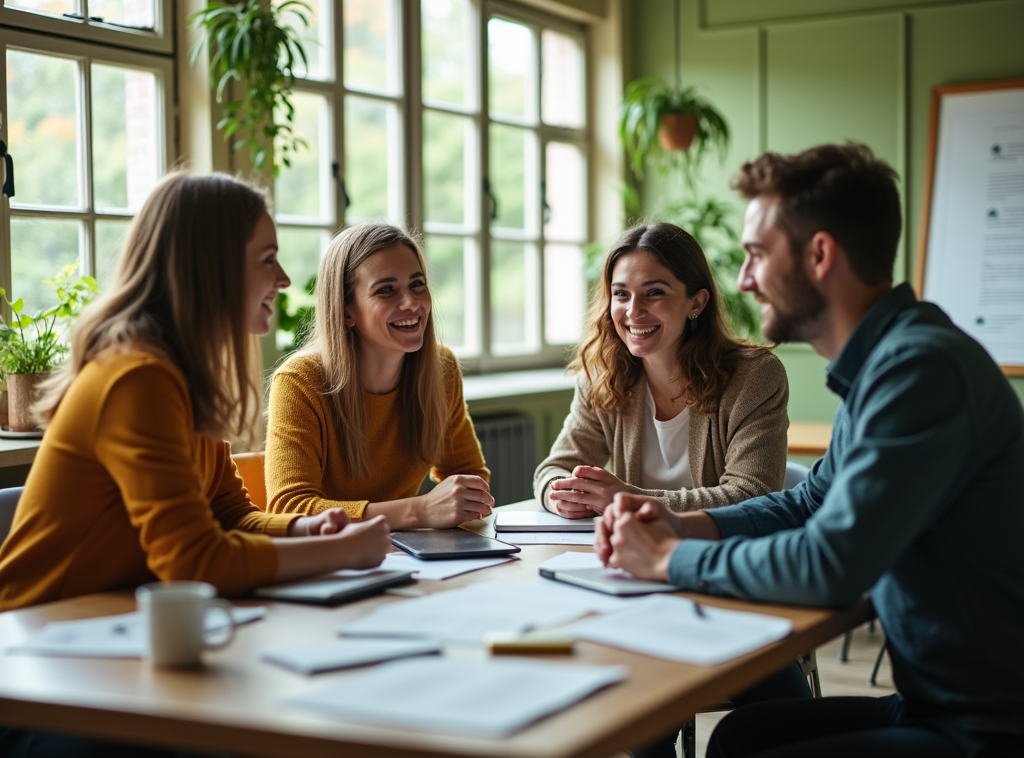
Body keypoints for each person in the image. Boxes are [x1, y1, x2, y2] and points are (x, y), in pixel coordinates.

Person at [597, 144, 1024, 758]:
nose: (743, 280)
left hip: (985, 727)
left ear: (820, 255)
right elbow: (811, 500)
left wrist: (668, 561)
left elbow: (831, 565)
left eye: (757, 255)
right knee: (748, 732)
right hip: (938, 701)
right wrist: (686, 523)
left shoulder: (918, 370)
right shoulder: (887, 362)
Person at [0, 173, 391, 756]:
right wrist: (345, 552)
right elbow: (195, 561)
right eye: (268, 259)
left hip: (114, 647)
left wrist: (305, 527)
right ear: (213, 268)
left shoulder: (182, 380)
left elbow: (230, 515)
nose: (283, 280)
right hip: (38, 670)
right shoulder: (137, 378)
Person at [534, 222, 790, 519]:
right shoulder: (602, 375)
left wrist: (630, 499)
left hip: (719, 556)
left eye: (654, 292)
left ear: (697, 301)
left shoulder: (754, 377)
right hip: (633, 555)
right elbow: (554, 469)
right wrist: (561, 496)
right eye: (621, 294)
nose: (633, 311)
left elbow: (753, 495)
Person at [265, 222, 493, 529]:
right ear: (347, 311)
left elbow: (468, 475)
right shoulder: (300, 382)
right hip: (330, 562)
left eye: (417, 284)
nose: (412, 303)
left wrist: (462, 500)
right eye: (386, 290)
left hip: (408, 558)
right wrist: (419, 511)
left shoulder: (442, 369)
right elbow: (289, 509)